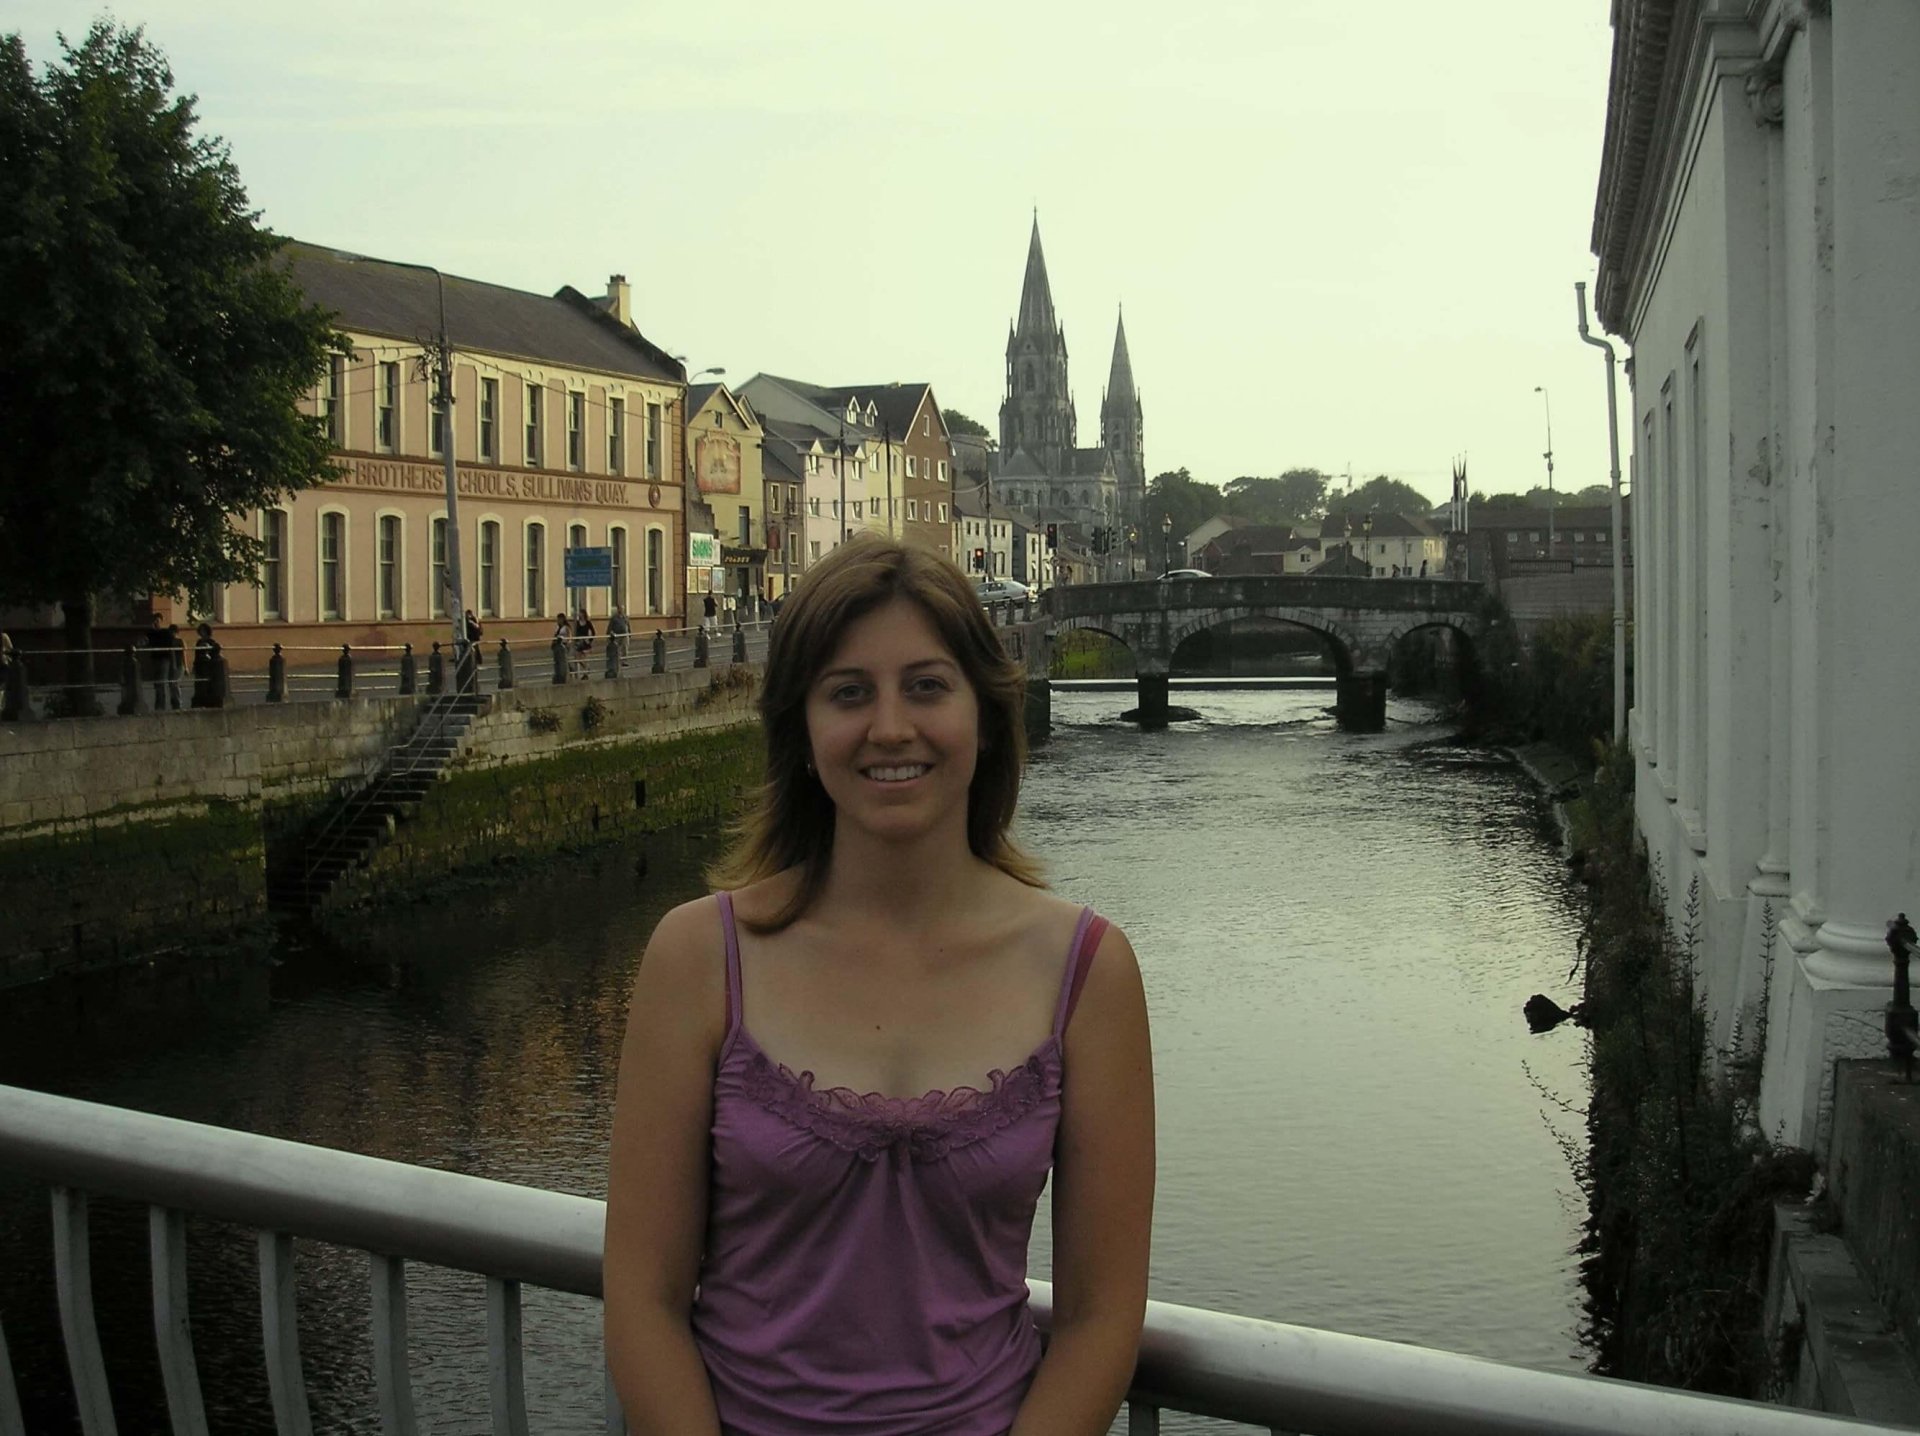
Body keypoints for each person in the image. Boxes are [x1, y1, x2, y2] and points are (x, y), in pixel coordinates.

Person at [604, 536, 1154, 1435]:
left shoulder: (1087, 972)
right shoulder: (697, 959)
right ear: (801, 730)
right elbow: (643, 1299)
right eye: (849, 693)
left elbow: (1100, 1318)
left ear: (985, 714)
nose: (890, 727)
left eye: (927, 686)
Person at [144, 614, 177, 711]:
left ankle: (161, 705)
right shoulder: (150, 633)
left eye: (157, 621)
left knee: (161, 681)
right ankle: (158, 703)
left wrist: (173, 663)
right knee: (157, 682)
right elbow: (146, 643)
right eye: (154, 621)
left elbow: (171, 648)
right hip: (155, 659)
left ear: (161, 622)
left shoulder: (166, 633)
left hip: (164, 659)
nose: (155, 623)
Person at [189, 622, 217, 708]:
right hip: (200, 665)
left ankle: (207, 701)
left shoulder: (211, 642)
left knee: (207, 684)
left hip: (208, 666)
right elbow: (196, 654)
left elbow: (214, 654)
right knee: (199, 684)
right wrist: (194, 665)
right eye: (200, 631)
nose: (201, 633)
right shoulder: (199, 642)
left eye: (203, 630)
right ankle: (199, 701)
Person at [572, 607, 596, 680]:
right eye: (579, 613)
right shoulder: (577, 623)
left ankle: (585, 674)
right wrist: (575, 640)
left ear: (584, 614)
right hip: (579, 642)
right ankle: (586, 668)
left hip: (585, 642)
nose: (579, 614)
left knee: (584, 657)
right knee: (577, 657)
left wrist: (589, 640)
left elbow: (593, 632)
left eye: (581, 613)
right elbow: (576, 632)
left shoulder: (588, 622)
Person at [608, 605, 632, 672]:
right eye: (620, 609)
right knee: (617, 648)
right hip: (617, 635)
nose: (621, 610)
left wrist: (630, 633)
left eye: (622, 609)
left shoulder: (625, 617)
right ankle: (617, 660)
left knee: (625, 648)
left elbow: (628, 625)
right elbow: (610, 626)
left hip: (625, 635)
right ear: (618, 609)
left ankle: (624, 661)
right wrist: (609, 633)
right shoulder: (614, 618)